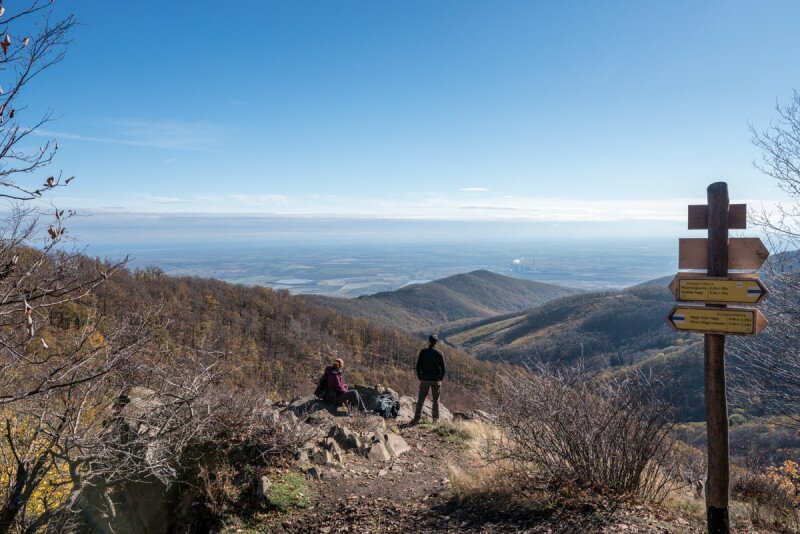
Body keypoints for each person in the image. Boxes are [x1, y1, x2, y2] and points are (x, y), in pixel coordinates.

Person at [410, 334, 446, 424]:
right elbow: (444, 369)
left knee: (421, 399)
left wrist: (420, 376)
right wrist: (440, 378)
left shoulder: (423, 352)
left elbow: (418, 366)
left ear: (429, 341)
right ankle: (435, 420)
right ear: (436, 342)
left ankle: (417, 419)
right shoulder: (439, 353)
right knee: (436, 401)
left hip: (425, 379)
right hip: (435, 380)